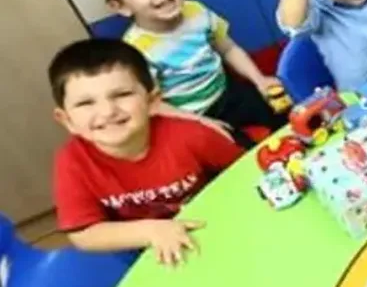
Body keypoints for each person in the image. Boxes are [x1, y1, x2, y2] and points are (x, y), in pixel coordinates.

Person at [49, 39, 244, 266]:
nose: (107, 111)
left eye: (122, 94)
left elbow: (246, 173)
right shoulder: (72, 162)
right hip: (146, 252)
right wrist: (152, 231)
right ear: (67, 120)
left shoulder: (193, 135)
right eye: (85, 103)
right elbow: (83, 234)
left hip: (214, 229)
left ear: (152, 101)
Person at [91, 0, 286, 147]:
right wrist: (201, 123)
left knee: (281, 113)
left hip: (227, 91)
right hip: (191, 116)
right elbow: (153, 104)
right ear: (120, 7)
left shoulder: (196, 11)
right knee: (235, 148)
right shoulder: (136, 50)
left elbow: (228, 48)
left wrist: (259, 79)